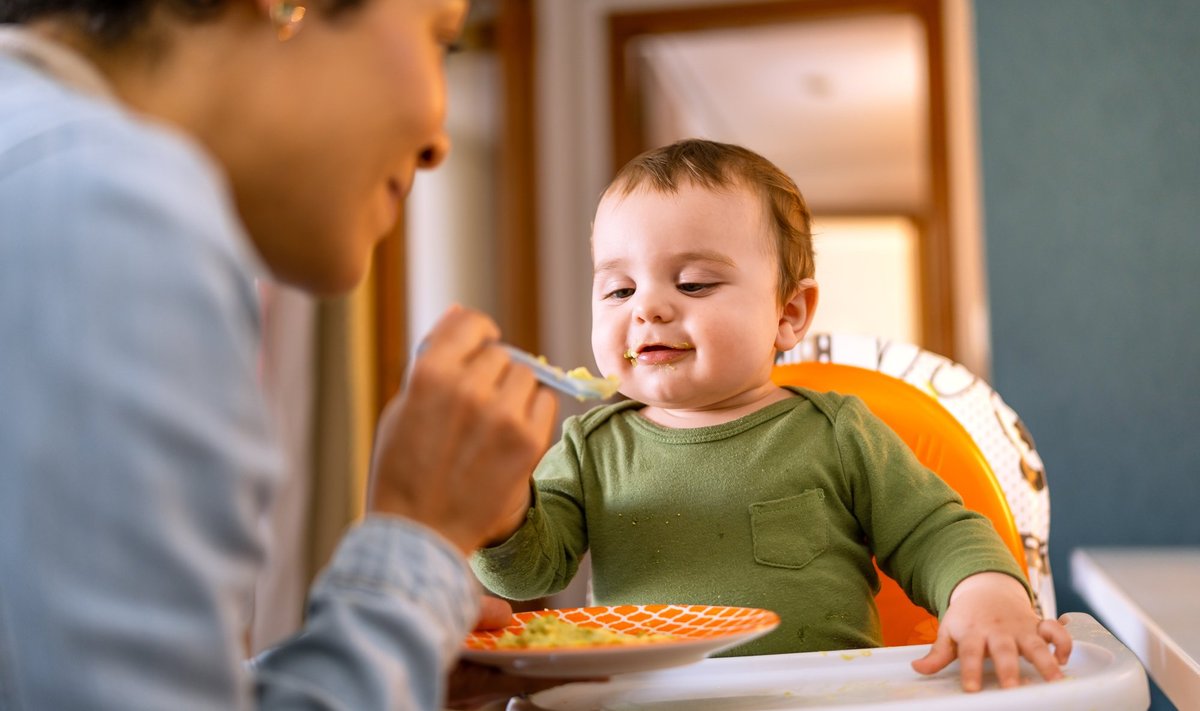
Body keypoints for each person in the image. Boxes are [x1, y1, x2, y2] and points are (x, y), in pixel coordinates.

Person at [0, 0, 565, 708]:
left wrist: (390, 656)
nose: (438, 142)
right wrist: (424, 536)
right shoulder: (113, 210)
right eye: (441, 41)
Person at [471, 138, 1073, 693]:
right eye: (619, 291)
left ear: (788, 312)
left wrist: (984, 593)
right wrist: (498, 509)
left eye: (695, 283)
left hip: (824, 701)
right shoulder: (589, 448)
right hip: (647, 704)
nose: (649, 308)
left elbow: (934, 531)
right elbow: (527, 577)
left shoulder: (837, 433)